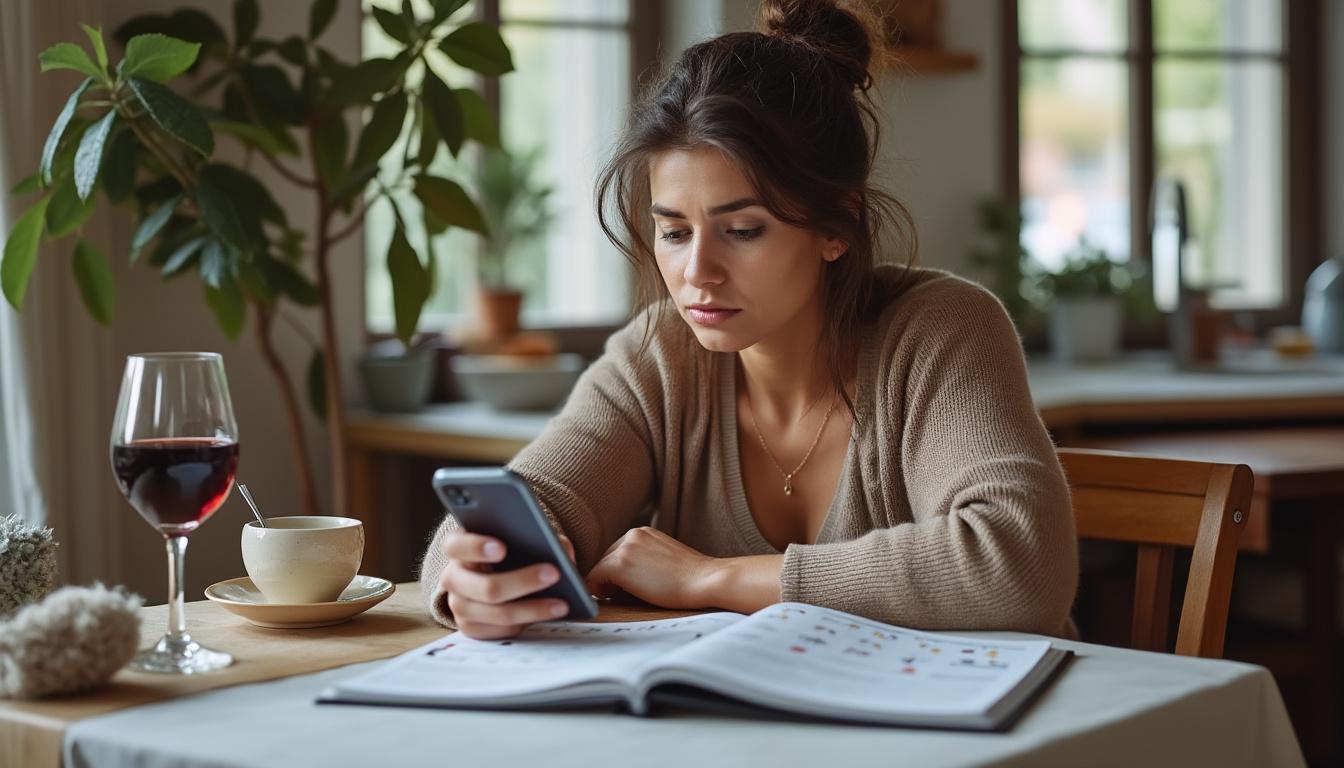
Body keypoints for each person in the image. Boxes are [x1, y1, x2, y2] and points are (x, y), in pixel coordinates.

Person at [420, 0, 1078, 640]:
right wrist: (474, 576)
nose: (698, 272)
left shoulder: (941, 331)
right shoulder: (658, 356)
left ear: (837, 226)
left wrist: (710, 578)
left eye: (741, 230)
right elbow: (525, 505)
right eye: (674, 232)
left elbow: (1019, 565)